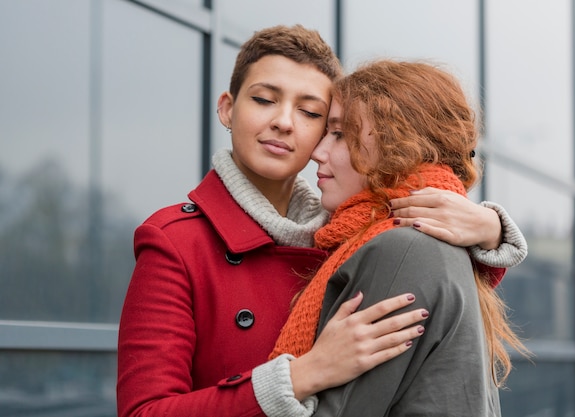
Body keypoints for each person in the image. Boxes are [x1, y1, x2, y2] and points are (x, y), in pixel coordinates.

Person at [117, 25, 526, 417]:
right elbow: (143, 411)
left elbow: (434, 289)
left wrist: (490, 231)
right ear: (227, 109)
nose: (283, 121)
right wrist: (302, 375)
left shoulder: (355, 230)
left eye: (310, 112)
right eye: (264, 99)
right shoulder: (177, 242)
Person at [270, 59, 529, 416]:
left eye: (340, 133)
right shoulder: (433, 239)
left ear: (398, 143)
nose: (318, 152)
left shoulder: (403, 246)